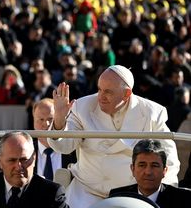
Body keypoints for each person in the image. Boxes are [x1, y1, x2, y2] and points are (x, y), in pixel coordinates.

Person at [48, 65, 180, 208]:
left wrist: (163, 196)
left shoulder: (152, 113)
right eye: (99, 89)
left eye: (108, 92)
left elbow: (169, 159)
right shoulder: (82, 107)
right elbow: (63, 147)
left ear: (127, 94)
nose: (101, 96)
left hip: (132, 195)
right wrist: (59, 120)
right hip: (86, 191)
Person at [0, 131, 69, 208]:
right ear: (0, 161)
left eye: (24, 160)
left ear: (34, 158)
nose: (18, 166)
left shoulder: (52, 194)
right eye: (12, 160)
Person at [109, 139, 191, 208]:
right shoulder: (117, 197)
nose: (148, 172)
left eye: (154, 166)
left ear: (164, 171)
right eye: (142, 165)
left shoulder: (183, 199)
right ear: (133, 169)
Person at [32, 98, 76, 180]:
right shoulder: (27, 152)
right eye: (41, 119)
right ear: (33, 122)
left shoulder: (74, 151)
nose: (46, 124)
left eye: (51, 119)